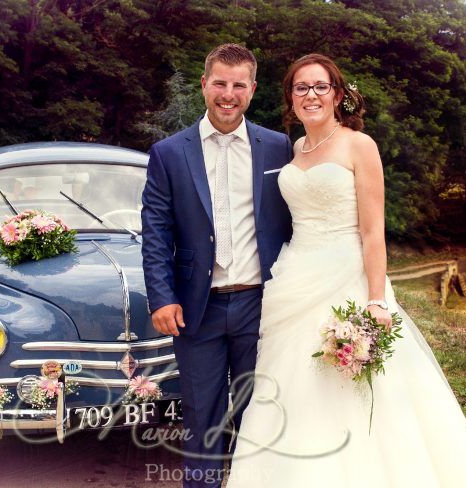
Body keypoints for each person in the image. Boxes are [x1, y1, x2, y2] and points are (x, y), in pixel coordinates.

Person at [226, 53, 466, 487]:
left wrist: (377, 299)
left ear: (338, 95)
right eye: (301, 87)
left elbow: (373, 232)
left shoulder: (360, 145)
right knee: (290, 387)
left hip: (347, 278)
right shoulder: (295, 148)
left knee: (350, 390)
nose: (311, 95)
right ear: (290, 97)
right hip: (294, 277)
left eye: (321, 86)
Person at [141, 44, 294, 487]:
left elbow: (293, 221)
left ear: (252, 89)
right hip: (196, 306)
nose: (229, 94)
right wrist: (162, 297)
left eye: (239, 85)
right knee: (202, 416)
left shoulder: (278, 147)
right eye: (220, 83)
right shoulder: (168, 153)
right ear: (205, 84)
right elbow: (156, 231)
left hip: (262, 304)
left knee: (260, 412)